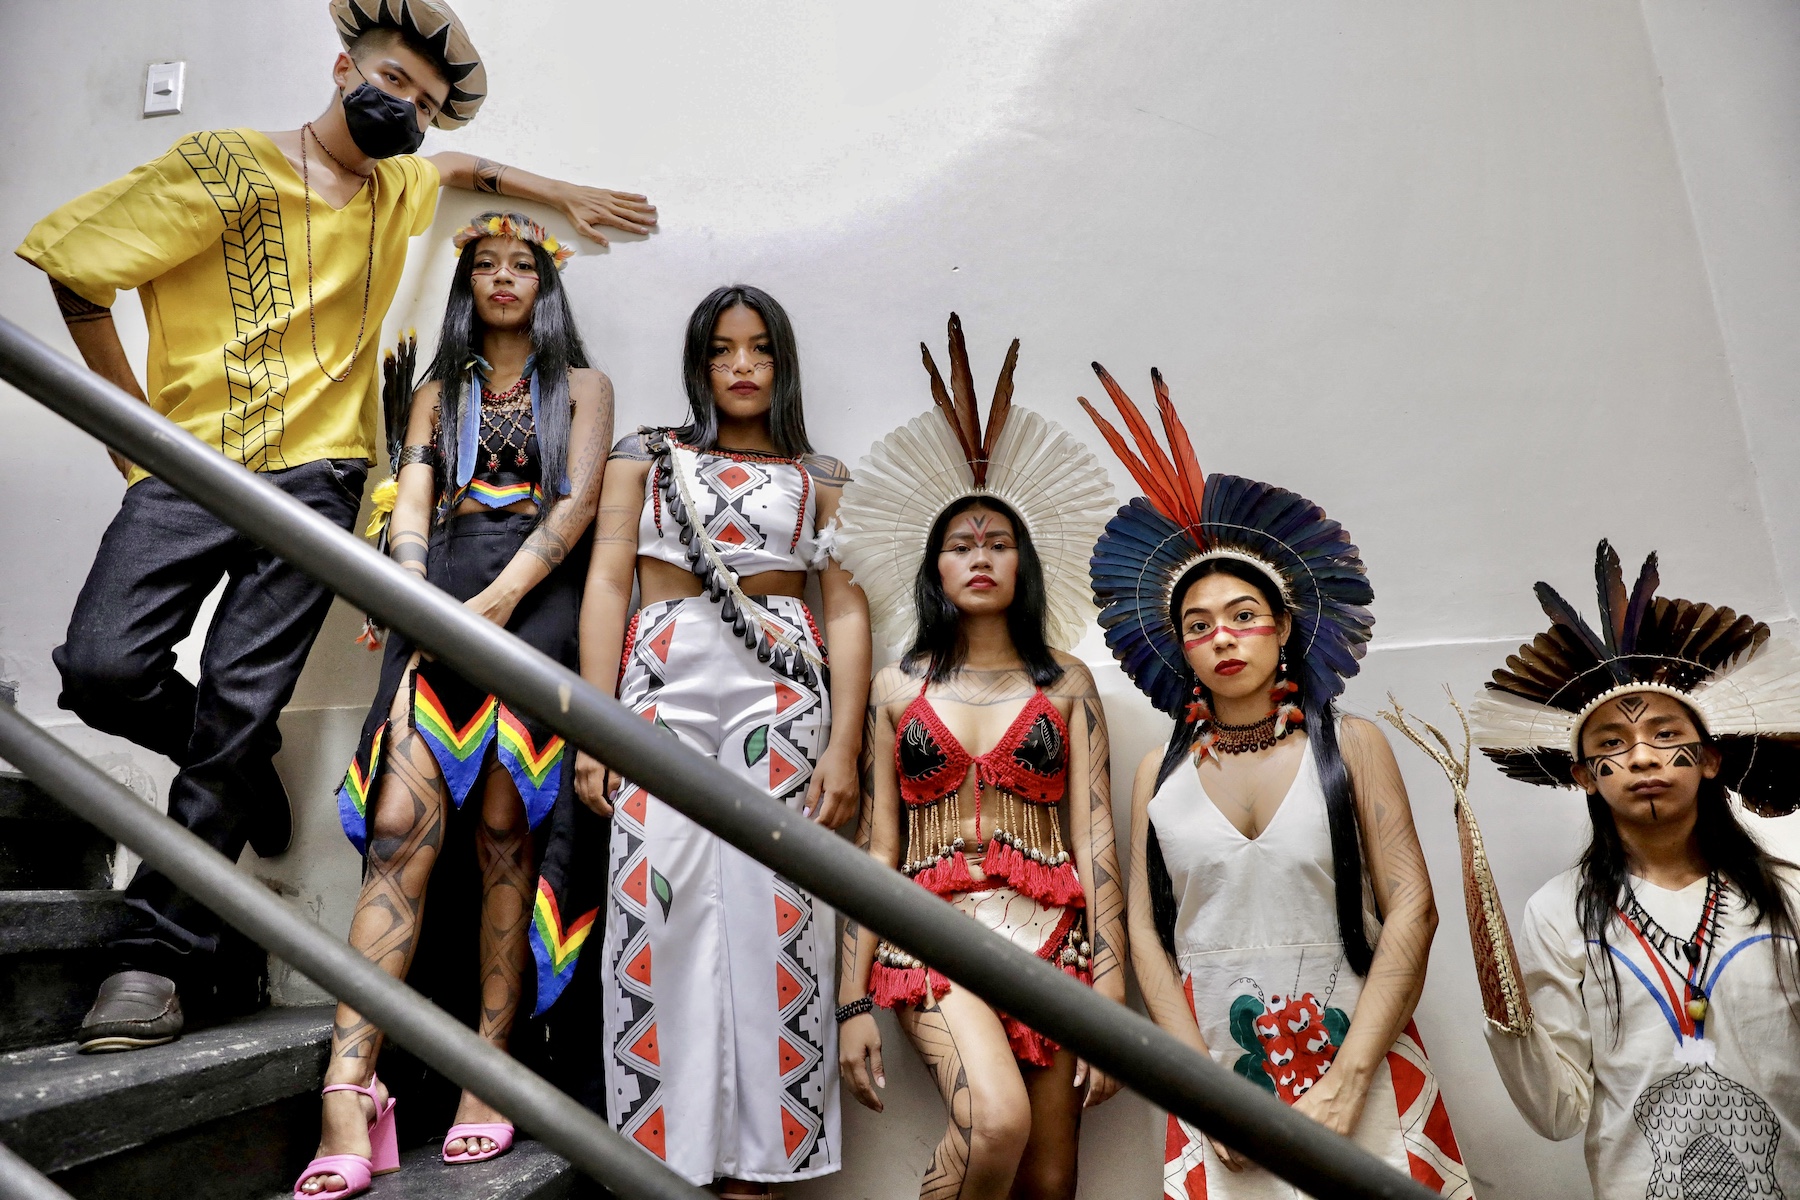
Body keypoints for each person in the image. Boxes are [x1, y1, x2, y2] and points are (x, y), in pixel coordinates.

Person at [14, 0, 656, 1056]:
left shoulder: (403, 183)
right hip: (189, 461)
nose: (410, 110)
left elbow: (459, 174)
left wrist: (559, 194)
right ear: (344, 65)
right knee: (100, 668)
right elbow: (80, 274)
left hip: (317, 487)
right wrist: (128, 434)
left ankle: (152, 962)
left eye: (428, 103)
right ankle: (236, 759)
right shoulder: (223, 164)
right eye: (395, 84)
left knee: (237, 702)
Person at [1079, 367, 1472, 1199]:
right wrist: (1204, 1094)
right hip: (1219, 1082)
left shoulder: (1352, 744)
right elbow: (1147, 937)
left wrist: (1348, 1079)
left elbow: (1413, 908)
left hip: (1363, 1071)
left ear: (1285, 626)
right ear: (1180, 650)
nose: (1222, 637)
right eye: (1197, 626)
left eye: (1243, 616)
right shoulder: (1161, 772)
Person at [292, 211, 612, 1196]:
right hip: (440, 600)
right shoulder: (438, 392)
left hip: (536, 601)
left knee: (507, 826)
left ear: (546, 287)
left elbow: (580, 503)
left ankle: (490, 1066)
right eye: (487, 264)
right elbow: (417, 499)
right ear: (467, 283)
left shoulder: (584, 389)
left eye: (524, 265)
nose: (505, 278)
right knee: (398, 824)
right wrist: (416, 596)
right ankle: (350, 1090)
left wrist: (500, 601)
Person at [574, 284, 871, 1194]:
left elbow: (848, 609)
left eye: (760, 350)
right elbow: (607, 584)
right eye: (722, 351)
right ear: (699, 363)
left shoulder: (821, 475)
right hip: (660, 685)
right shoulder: (643, 457)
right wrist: (594, 729)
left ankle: (760, 1169)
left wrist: (844, 747)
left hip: (782, 696)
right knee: (659, 914)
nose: (741, 367)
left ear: (782, 363)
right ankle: (669, 1161)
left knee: (772, 919)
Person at [831, 316, 1126, 1200]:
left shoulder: (1067, 683)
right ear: (934, 569)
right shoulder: (895, 689)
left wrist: (1111, 993)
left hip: (1057, 945)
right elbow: (877, 847)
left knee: (1049, 1182)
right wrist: (851, 1005)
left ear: (1025, 562)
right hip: (934, 940)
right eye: (961, 545)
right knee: (994, 1124)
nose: (981, 556)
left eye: (999, 542)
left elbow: (1097, 834)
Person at [1441, 541, 1800, 1197]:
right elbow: (1557, 1113)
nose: (1641, 758)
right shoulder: (1559, 914)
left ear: (1710, 758)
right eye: (1612, 744)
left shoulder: (1789, 894)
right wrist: (1506, 1013)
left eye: (1666, 735)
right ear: (1582, 775)